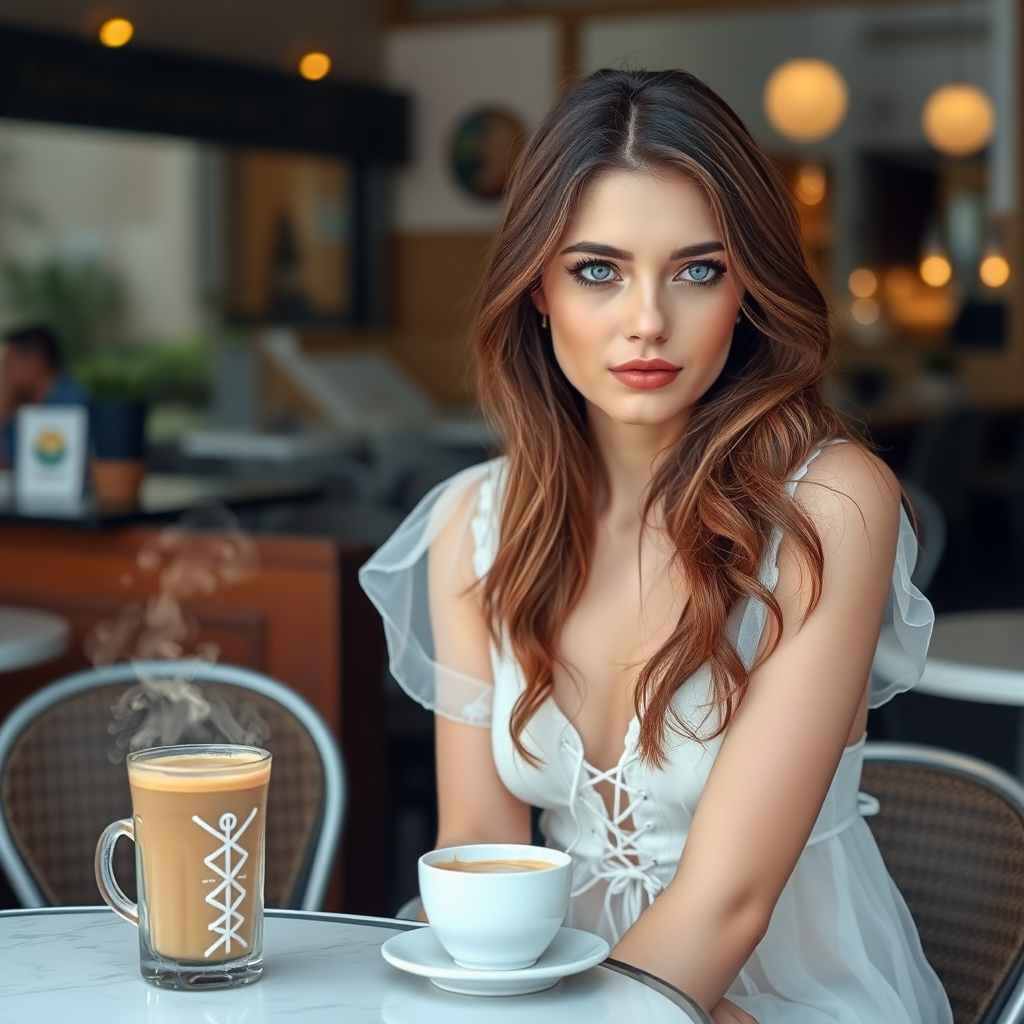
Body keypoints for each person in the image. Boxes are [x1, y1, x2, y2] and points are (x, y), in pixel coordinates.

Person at [360, 69, 950, 1024]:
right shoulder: (471, 522)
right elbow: (477, 845)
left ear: (748, 287)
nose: (647, 320)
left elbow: (729, 902)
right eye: (598, 269)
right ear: (538, 289)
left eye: (698, 269)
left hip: (777, 992)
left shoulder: (831, 505)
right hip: (541, 985)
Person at [0, 323, 87, 467]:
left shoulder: (73, 405)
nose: (4, 379)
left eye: (8, 367)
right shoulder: (20, 407)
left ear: (34, 365)